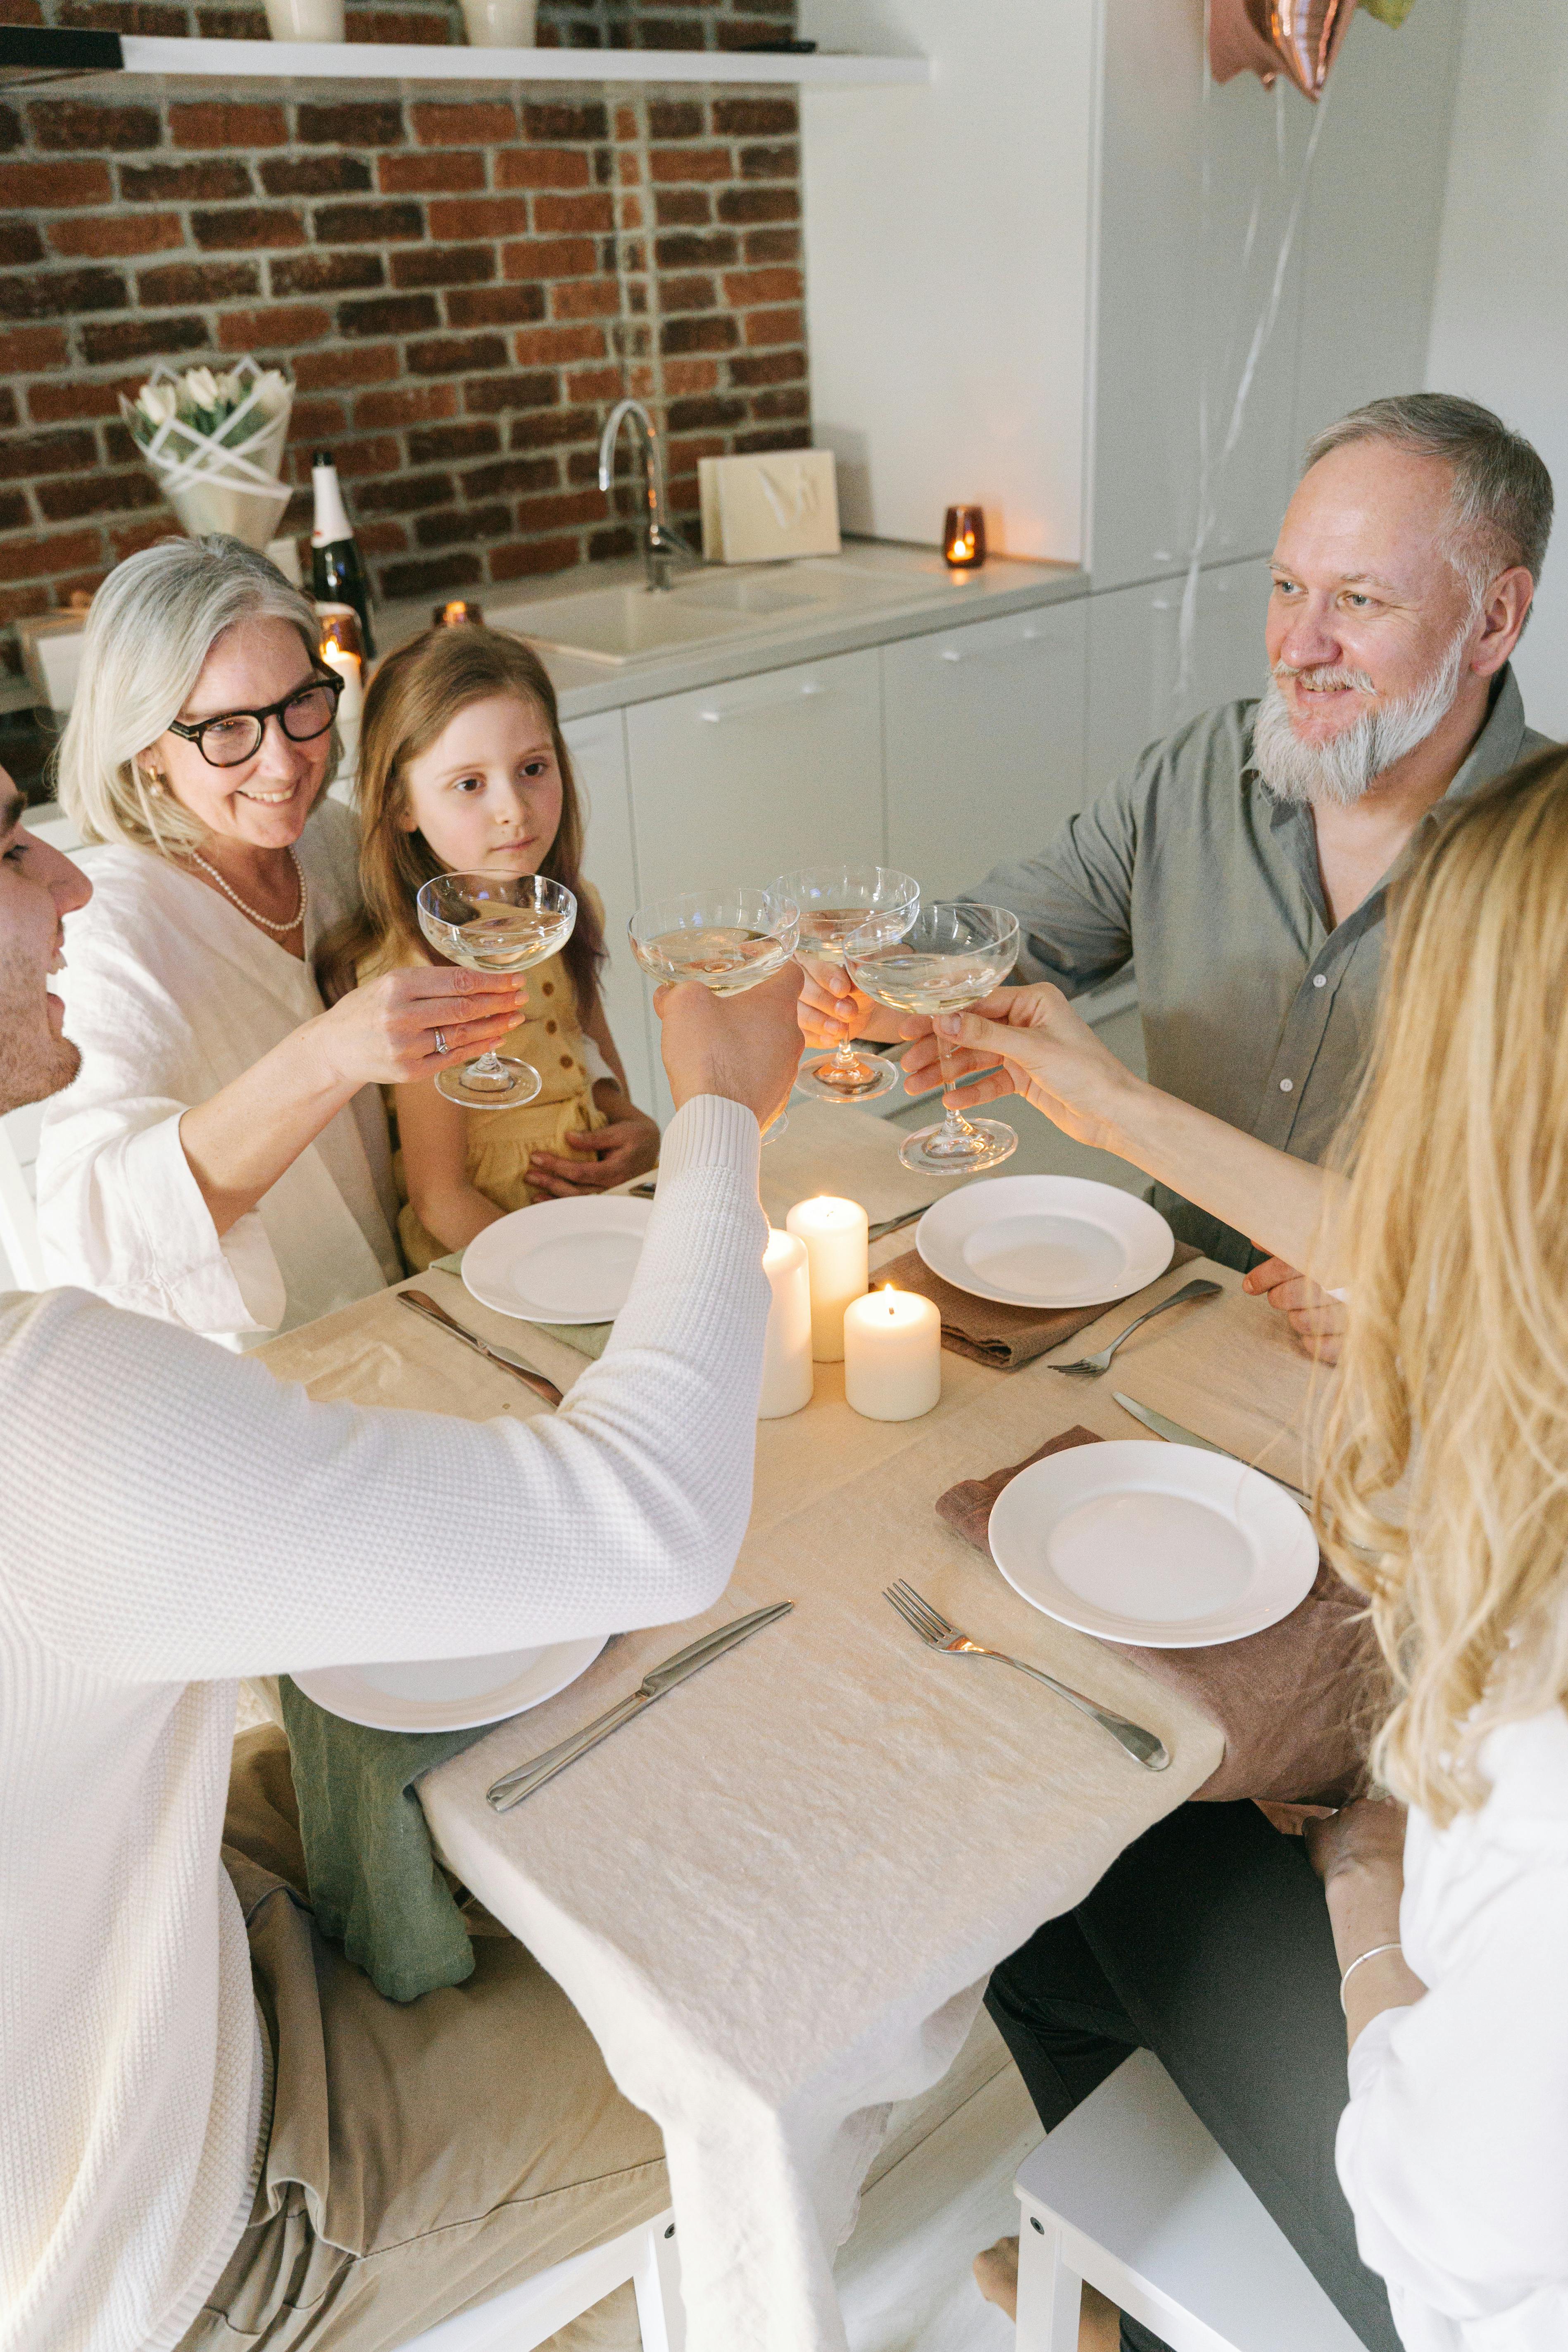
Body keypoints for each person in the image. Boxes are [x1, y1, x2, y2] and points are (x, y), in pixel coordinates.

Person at [0, 760, 806, 2352]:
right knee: (770, 2047)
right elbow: (648, 1516)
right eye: (7, 850)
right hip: (166, 2222)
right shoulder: (44, 1412)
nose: (67, 887)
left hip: (147, 1949)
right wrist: (720, 1114)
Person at [912, 745, 1568, 2351]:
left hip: (1447, 2266)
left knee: (1080, 1861)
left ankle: (1142, 2292)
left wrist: (1362, 1883)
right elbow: (1425, 1258)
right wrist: (1108, 1099)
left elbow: (1458, 2238)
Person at [802, 393, 1554, 1363]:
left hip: (1423, 1396)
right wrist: (863, 979)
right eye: (1286, 587)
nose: (1297, 646)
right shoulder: (1199, 773)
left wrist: (1432, 1304)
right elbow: (998, 948)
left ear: (1493, 621)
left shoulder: (1549, 865)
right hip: (1160, 1312)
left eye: (1358, 600)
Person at [37, 535, 523, 1347]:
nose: (285, 758)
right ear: (149, 747)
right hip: (274, 1372)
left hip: (413, 1301)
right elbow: (100, 1236)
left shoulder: (332, 843)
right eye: (227, 728)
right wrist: (324, 1054)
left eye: (302, 702)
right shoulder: (110, 927)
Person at [319, 626, 659, 1269]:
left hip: (597, 1212)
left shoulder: (563, 907)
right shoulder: (414, 965)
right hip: (497, 1250)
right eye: (470, 784)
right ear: (400, 806)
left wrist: (636, 1127)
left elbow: (588, 1054)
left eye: (533, 769)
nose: (515, 811)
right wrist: (551, 1273)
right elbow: (438, 1196)